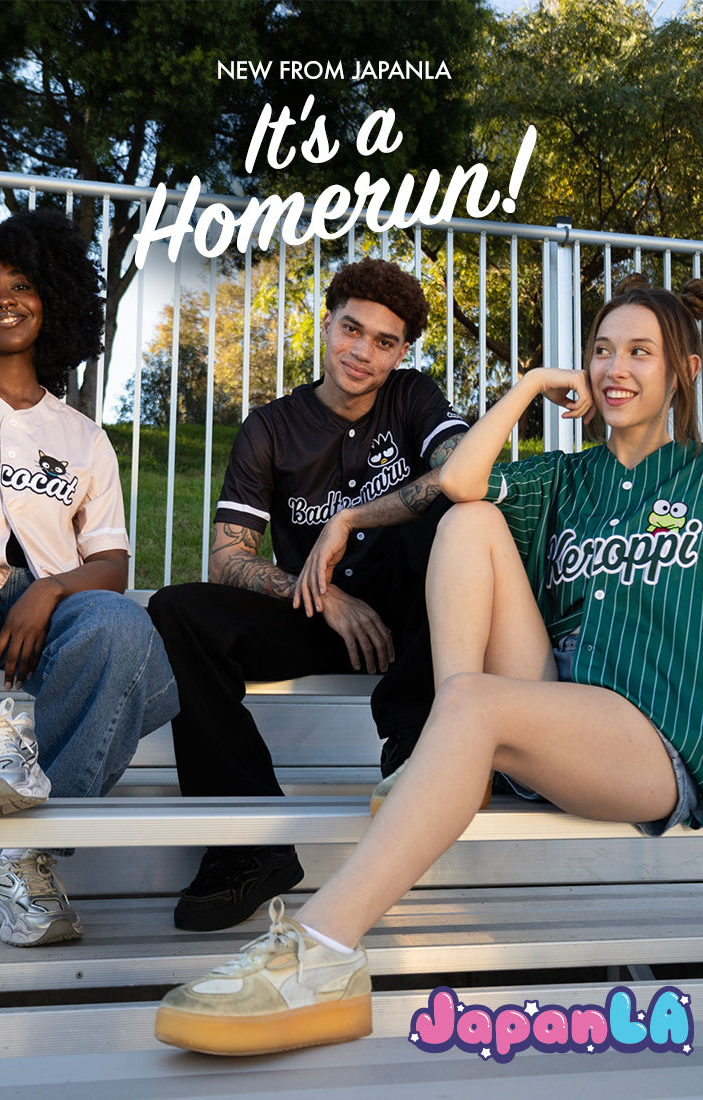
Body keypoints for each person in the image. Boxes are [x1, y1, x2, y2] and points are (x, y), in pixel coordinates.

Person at [153, 274, 703, 1057]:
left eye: (639, 352)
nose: (612, 368)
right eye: (600, 351)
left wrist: (350, 517)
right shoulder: (568, 477)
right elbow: (459, 481)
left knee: (475, 702)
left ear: (685, 370)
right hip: (555, 709)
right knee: (471, 521)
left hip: (655, 739)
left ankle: (323, 951)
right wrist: (527, 386)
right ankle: (441, 760)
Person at [148, 258, 469, 932]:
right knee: (178, 610)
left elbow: (460, 471)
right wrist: (316, 592)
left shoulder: (412, 398)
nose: (362, 352)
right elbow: (227, 557)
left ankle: (412, 748)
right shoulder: (271, 427)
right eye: (352, 330)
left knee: (454, 515)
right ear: (328, 325)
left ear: (402, 351)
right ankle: (247, 849)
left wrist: (348, 519)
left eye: (385, 342)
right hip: (319, 615)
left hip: (413, 615)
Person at [0, 209, 178, 947]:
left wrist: (49, 589)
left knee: (124, 624)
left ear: (52, 297)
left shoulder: (83, 436)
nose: (5, 299)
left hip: (39, 615)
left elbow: (113, 563)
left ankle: (17, 862)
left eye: (22, 283)